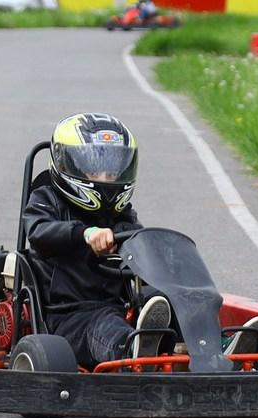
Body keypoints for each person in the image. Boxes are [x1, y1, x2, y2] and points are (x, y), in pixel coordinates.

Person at [22, 111, 173, 367]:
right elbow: (38, 231)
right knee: (106, 326)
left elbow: (139, 242)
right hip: (71, 317)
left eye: (112, 172)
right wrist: (85, 234)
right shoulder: (46, 200)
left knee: (167, 297)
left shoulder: (120, 214)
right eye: (95, 171)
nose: (105, 179)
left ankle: (211, 350)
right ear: (66, 165)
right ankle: (133, 351)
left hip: (119, 307)